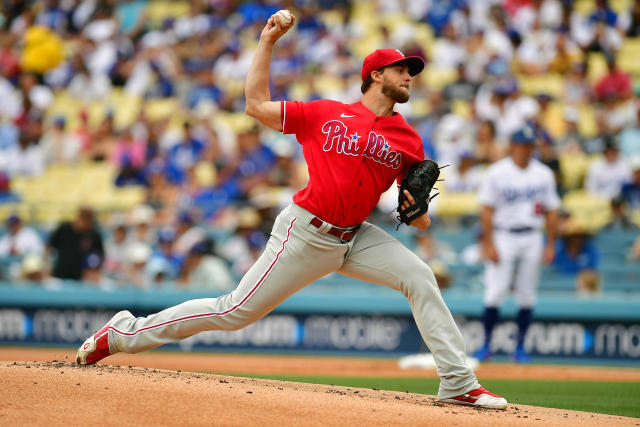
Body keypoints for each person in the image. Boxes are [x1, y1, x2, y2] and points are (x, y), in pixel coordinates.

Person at [76, 12, 507, 410]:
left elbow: (418, 216)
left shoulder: (408, 138)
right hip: (305, 232)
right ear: (376, 75)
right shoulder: (325, 114)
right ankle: (122, 334)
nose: (409, 76)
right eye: (401, 69)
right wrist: (267, 42)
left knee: (419, 276)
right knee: (232, 312)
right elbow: (255, 106)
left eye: (411, 71)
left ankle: (456, 381)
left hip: (355, 236)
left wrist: (417, 212)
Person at [475, 124, 560, 364]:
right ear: (513, 145)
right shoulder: (497, 172)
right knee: (495, 292)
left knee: (527, 295)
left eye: (530, 145)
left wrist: (551, 244)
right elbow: (487, 210)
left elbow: (552, 211)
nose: (526, 149)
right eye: (523, 145)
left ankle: (520, 348)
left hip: (533, 235)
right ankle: (486, 346)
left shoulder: (543, 173)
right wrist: (488, 243)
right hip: (504, 235)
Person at [47, 207, 104, 281]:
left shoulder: (93, 234)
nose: (90, 224)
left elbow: (99, 255)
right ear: (80, 218)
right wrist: (47, 266)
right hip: (60, 274)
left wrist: (93, 270)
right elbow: (49, 247)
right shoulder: (64, 229)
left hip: (81, 277)